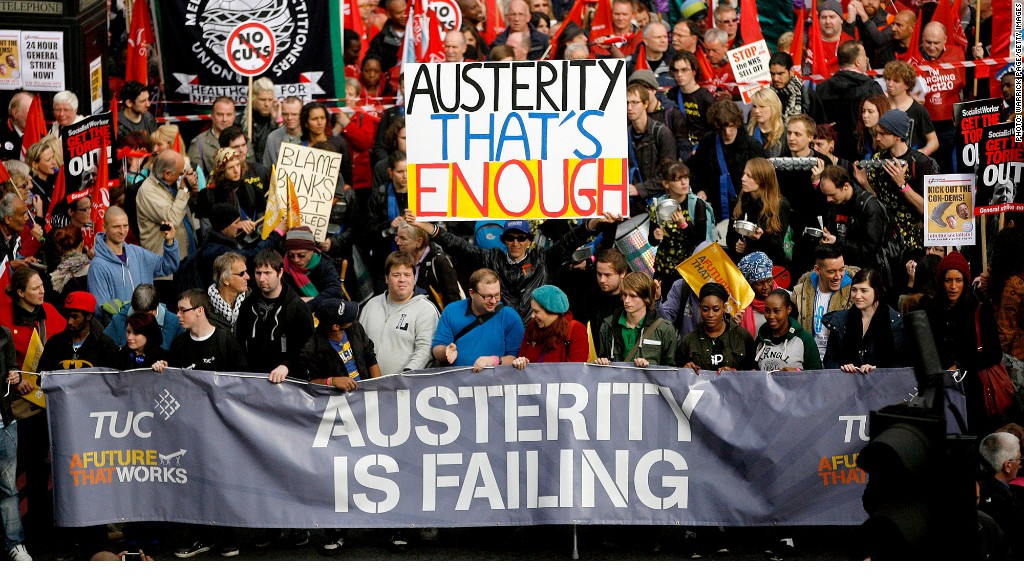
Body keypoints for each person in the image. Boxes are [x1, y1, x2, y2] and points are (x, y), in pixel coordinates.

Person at [152, 288, 247, 559]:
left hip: (223, 428)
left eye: (183, 310)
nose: (177, 315)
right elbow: (173, 382)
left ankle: (228, 539)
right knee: (194, 485)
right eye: (178, 310)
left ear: (200, 311)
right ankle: (200, 538)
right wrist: (162, 367)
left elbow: (241, 384)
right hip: (191, 429)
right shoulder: (181, 345)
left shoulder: (225, 341)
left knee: (224, 484)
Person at [409, 214, 616, 323]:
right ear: (503, 240)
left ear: (530, 240)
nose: (515, 242)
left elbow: (571, 240)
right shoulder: (491, 258)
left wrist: (594, 222)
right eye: (510, 238)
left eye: (521, 237)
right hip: (502, 333)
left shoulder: (544, 258)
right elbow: (458, 245)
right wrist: (428, 227)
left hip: (538, 332)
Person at [920, 251, 1003, 434]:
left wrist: (961, 365)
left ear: (966, 281)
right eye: (948, 280)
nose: (953, 286)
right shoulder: (931, 309)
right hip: (940, 388)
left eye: (958, 280)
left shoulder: (980, 309)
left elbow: (994, 353)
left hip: (973, 391)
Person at [853, 109, 936, 252]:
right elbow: (880, 202)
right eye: (877, 133)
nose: (878, 138)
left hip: (914, 243)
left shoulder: (920, 162)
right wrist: (865, 183)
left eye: (883, 134)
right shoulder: (878, 159)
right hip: (887, 242)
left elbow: (927, 209)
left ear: (898, 135)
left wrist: (902, 185)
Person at [236, 249, 315, 383]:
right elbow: (240, 341)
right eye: (258, 273)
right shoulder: (248, 305)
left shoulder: (297, 308)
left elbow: (309, 347)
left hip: (288, 382)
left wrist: (287, 365)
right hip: (253, 380)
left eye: (267, 273)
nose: (261, 279)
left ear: (280, 273)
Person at [87, 206, 179, 317]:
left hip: (149, 324)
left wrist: (169, 242)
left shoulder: (137, 252)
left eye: (125, 226)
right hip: (123, 330)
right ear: (104, 227)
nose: (122, 231)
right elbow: (100, 308)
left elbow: (167, 267)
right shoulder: (98, 266)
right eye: (116, 227)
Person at [358, 251, 440, 374]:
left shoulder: (427, 310)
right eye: (396, 275)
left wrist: (406, 376)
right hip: (368, 386)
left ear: (414, 278)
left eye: (407, 275)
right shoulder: (371, 305)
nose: (402, 280)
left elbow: (425, 350)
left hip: (407, 387)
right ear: (386, 278)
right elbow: (358, 344)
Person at [135, 150, 200, 302]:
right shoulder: (148, 191)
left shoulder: (171, 184)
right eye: (180, 172)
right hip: (166, 270)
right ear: (167, 174)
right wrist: (184, 190)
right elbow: (172, 219)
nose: (182, 175)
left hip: (185, 261)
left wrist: (191, 191)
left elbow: (183, 209)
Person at [688, 100, 768, 223]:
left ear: (737, 122)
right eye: (722, 128)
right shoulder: (708, 141)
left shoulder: (751, 145)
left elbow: (765, 177)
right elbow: (694, 168)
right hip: (715, 206)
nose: (727, 132)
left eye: (731, 126)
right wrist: (699, 189)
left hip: (745, 207)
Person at [431, 268, 525, 371]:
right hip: (457, 381)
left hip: (494, 381)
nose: (493, 301)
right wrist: (446, 351)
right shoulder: (452, 311)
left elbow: (517, 358)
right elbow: (437, 349)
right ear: (472, 293)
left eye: (497, 295)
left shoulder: (510, 317)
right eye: (487, 296)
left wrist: (494, 360)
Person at [822, 268, 903, 373]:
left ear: (877, 291)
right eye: (854, 289)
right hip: (847, 385)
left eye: (864, 290)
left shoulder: (896, 322)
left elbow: (901, 362)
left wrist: (877, 370)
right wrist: (843, 368)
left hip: (883, 385)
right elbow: (830, 360)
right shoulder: (840, 321)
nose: (857, 296)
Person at [816, 40, 884, 162]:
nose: (866, 58)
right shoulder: (871, 87)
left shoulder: (822, 88)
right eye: (864, 56)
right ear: (858, 62)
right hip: (864, 154)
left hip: (830, 155)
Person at [595, 271, 678, 367]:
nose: (627, 301)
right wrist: (602, 362)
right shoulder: (608, 325)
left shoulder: (664, 329)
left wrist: (649, 367)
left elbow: (670, 370)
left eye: (633, 296)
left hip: (648, 381)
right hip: (616, 381)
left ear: (646, 298)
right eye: (624, 295)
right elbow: (601, 364)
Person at [792, 243, 859, 361]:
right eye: (831, 271)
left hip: (841, 363)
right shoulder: (800, 292)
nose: (838, 276)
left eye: (841, 269)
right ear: (817, 270)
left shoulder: (855, 293)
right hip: (807, 361)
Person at [817, 165, 890, 273]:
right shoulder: (835, 203)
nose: (828, 199)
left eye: (832, 195)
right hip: (841, 267)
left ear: (846, 186)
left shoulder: (868, 206)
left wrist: (837, 241)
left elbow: (869, 250)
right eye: (826, 195)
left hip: (866, 271)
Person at [648, 160, 709, 287]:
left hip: (690, 270)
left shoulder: (697, 204)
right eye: (677, 179)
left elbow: (701, 242)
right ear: (666, 184)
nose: (684, 183)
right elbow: (652, 241)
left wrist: (684, 225)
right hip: (664, 269)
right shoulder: (658, 205)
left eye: (686, 178)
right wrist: (655, 236)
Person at [726, 157, 793, 268]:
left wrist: (761, 238)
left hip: (769, 268)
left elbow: (778, 246)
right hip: (744, 265)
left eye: (749, 176)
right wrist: (737, 245)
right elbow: (730, 237)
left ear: (763, 179)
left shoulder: (780, 205)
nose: (743, 179)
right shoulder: (739, 202)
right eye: (744, 174)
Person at [1, 323, 31, 560]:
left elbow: (13, 369)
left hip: (4, 423)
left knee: (8, 488)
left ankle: (15, 543)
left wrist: (15, 374)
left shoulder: (3, 334)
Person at [678, 282, 755, 372]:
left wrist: (735, 373)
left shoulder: (742, 336)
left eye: (716, 309)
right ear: (700, 308)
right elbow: (677, 375)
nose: (710, 314)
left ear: (724, 308)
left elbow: (754, 373)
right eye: (705, 309)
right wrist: (685, 370)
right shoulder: (689, 340)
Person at [627, 83, 677, 213]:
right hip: (633, 203)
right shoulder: (624, 134)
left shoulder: (662, 133)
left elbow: (669, 173)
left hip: (659, 202)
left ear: (645, 104)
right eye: (627, 103)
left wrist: (640, 188)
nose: (629, 107)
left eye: (634, 102)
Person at [512, 284, 589, 369]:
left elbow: (576, 369)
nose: (532, 316)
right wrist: (520, 362)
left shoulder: (576, 330)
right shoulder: (532, 327)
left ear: (552, 311)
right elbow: (522, 356)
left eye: (536, 311)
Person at [195, 147, 260, 242]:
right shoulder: (206, 196)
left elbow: (262, 224)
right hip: (223, 249)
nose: (236, 171)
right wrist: (234, 226)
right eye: (230, 167)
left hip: (251, 246)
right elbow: (206, 233)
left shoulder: (253, 189)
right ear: (221, 171)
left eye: (238, 165)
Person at [977, 431, 1024, 557]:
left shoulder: (975, 490)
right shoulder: (1012, 502)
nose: (1020, 464)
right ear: (1007, 466)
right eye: (1019, 459)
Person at [754, 289, 822, 371]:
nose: (771, 316)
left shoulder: (804, 339)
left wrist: (797, 372)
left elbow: (817, 376)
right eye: (767, 311)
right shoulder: (760, 339)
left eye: (776, 311)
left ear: (788, 309)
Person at [103, 283, 183, 352]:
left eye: (144, 316)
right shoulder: (119, 320)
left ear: (155, 310)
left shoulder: (175, 323)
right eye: (137, 314)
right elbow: (104, 348)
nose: (140, 319)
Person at [666, 50, 716, 158]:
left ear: (694, 71)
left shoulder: (706, 98)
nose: (679, 75)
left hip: (701, 151)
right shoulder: (671, 94)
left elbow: (714, 130)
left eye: (684, 70)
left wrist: (701, 148)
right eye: (676, 70)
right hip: (678, 150)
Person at [883, 60, 938, 156]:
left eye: (896, 81)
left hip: (908, 160)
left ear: (907, 85)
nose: (890, 84)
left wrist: (921, 153)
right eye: (888, 79)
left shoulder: (918, 110)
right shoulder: (880, 105)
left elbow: (933, 142)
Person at [281, 226, 344, 310]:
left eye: (301, 255)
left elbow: (335, 290)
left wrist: (311, 302)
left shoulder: (325, 265)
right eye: (291, 255)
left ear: (312, 250)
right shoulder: (283, 267)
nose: (296, 260)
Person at [187, 96, 237, 176]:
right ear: (212, 115)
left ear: (234, 116)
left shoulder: (243, 141)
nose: (224, 119)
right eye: (220, 114)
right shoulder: (198, 144)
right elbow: (195, 180)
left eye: (229, 114)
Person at [205, 252, 249, 333]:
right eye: (241, 274)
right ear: (225, 279)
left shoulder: (252, 300)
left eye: (246, 272)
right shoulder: (204, 306)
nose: (247, 277)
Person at [737, 251, 776, 335]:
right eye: (759, 283)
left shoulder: (786, 297)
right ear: (750, 285)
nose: (766, 287)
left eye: (769, 280)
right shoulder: (740, 307)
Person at [262, 96, 303, 168]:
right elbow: (266, 169)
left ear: (302, 114)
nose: (289, 118)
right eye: (285, 114)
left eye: (294, 114)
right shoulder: (272, 138)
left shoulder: (311, 135)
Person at [747, 88, 787, 157]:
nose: (756, 111)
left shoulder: (786, 134)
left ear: (773, 108)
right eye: (754, 106)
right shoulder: (747, 132)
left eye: (762, 106)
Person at [0, 91, 31, 162]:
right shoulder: (2, 132)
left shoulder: (40, 133)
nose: (34, 118)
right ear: (15, 113)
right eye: (30, 113)